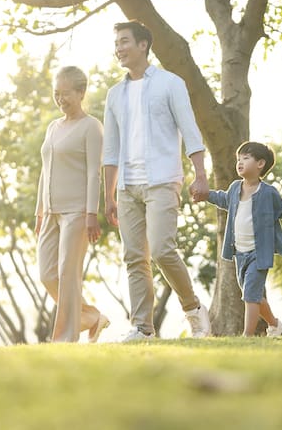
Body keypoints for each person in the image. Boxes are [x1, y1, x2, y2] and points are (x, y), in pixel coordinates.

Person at [103, 20, 211, 341]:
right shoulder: (114, 94)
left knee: (163, 250)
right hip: (127, 187)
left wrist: (200, 173)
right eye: (116, 43)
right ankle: (143, 328)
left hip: (162, 179)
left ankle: (193, 309)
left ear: (143, 45)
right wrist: (108, 196)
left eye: (124, 41)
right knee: (135, 258)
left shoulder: (170, 83)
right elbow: (111, 148)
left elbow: (190, 130)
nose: (119, 48)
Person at [35, 66, 111, 343]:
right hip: (51, 211)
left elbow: (95, 172)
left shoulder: (92, 127)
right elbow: (45, 170)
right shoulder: (53, 127)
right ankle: (91, 317)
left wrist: (92, 213)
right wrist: (39, 211)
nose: (60, 99)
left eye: (65, 93)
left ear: (80, 93)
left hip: (77, 211)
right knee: (46, 273)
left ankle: (64, 338)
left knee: (68, 274)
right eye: (56, 93)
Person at [204, 141, 282, 337]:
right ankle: (275, 325)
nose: (240, 162)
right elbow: (222, 199)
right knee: (253, 295)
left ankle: (247, 335)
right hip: (240, 254)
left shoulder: (268, 193)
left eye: (245, 158)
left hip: (259, 254)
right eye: (238, 159)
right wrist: (206, 194)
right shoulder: (235, 188)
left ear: (260, 164)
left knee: (250, 295)